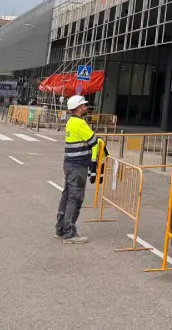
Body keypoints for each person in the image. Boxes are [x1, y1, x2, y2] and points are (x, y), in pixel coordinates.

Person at [56, 95, 103, 244]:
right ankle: (69, 233)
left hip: (69, 164)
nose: (85, 107)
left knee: (67, 196)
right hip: (78, 166)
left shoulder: (71, 122)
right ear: (77, 108)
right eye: (83, 105)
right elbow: (93, 140)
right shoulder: (80, 123)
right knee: (75, 198)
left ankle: (61, 228)